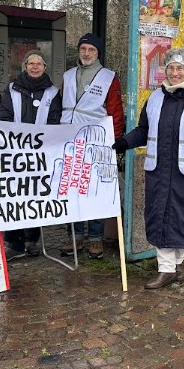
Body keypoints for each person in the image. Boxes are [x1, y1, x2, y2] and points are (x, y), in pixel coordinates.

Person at [112, 48, 184, 289]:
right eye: (170, 68)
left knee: (182, 219)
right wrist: (124, 142)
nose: (174, 72)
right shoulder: (155, 98)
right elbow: (143, 130)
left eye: (179, 68)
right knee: (160, 217)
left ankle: (177, 264)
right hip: (160, 172)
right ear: (165, 71)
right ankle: (166, 269)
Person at [60, 32, 125, 259]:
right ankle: (74, 235)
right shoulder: (68, 76)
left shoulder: (108, 77)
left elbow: (115, 111)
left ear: (98, 53)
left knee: (95, 189)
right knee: (71, 188)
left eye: (91, 50)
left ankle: (95, 237)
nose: (86, 53)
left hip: (97, 140)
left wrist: (114, 143)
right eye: (83, 49)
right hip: (69, 140)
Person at [0, 49, 62, 259]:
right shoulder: (12, 89)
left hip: (39, 154)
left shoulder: (52, 92)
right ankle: (14, 243)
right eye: (31, 63)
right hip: (15, 153)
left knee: (35, 196)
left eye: (39, 63)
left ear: (45, 68)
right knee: (14, 195)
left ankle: (32, 240)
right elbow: (4, 116)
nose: (35, 67)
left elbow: (55, 119)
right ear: (25, 66)